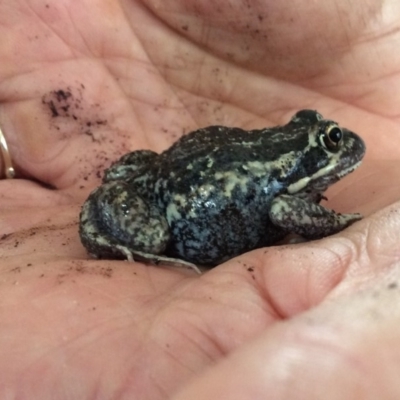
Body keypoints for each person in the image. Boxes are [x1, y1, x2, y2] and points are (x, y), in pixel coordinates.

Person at [0, 1, 399, 398]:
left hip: (165, 170)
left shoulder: (283, 172)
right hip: (159, 197)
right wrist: (333, 222)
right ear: (307, 155)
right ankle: (113, 237)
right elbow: (283, 209)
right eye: (331, 141)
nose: (344, 145)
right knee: (152, 237)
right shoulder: (285, 186)